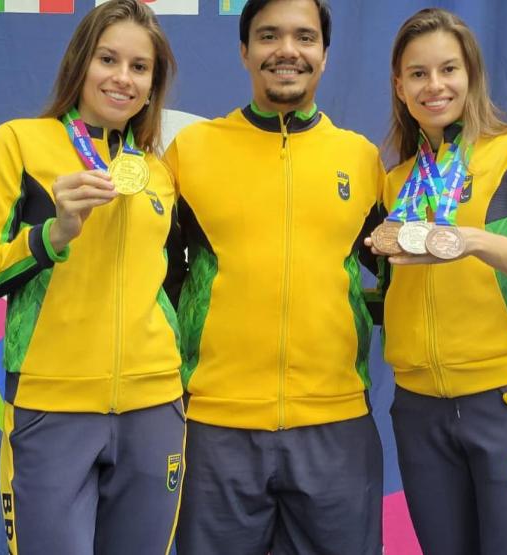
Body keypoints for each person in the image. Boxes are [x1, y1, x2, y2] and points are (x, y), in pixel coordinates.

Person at [0, 2, 184, 553]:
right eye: (108, 59)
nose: (122, 78)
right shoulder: (18, 143)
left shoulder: (158, 172)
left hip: (155, 410)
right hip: (52, 405)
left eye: (139, 67)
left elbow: (175, 285)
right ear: (81, 62)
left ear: (153, 85)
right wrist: (50, 237)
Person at [366, 8, 507, 555]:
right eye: (418, 73)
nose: (434, 85)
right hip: (420, 409)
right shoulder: (396, 180)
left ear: (472, 74)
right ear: (399, 85)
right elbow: (379, 299)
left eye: (449, 69)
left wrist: (476, 242)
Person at [163, 0, 385, 553]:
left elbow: (401, 280)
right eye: (269, 36)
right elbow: (156, 280)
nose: (287, 50)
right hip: (214, 427)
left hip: (336, 426)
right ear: (244, 51)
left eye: (304, 37)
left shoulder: (361, 160)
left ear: (325, 55)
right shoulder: (190, 153)